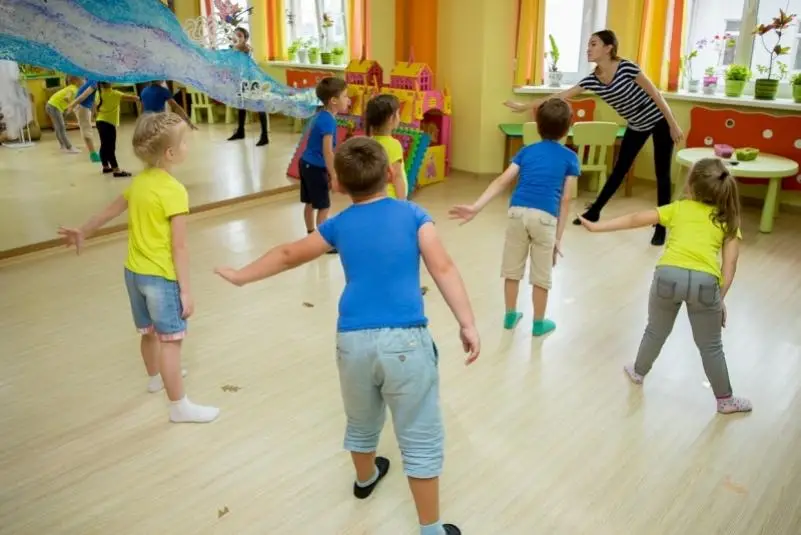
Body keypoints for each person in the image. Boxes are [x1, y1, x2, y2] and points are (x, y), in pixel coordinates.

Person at [214, 137, 478, 535]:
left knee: (361, 417)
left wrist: (240, 275)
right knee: (419, 434)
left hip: (353, 342)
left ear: (337, 184)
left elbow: (288, 254)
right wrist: (467, 322)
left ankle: (365, 478)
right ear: (389, 173)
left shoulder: (338, 224)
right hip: (406, 343)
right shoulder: (413, 215)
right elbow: (443, 268)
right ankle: (431, 529)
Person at [58, 112, 220, 424]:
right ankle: (179, 406)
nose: (188, 147)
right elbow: (179, 247)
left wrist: (83, 230)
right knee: (171, 341)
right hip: (160, 277)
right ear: (170, 153)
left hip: (133, 274)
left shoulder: (140, 181)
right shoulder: (174, 190)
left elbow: (109, 211)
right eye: (185, 142)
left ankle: (155, 378)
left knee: (148, 333)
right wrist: (186, 291)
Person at [578, 158, 751, 415]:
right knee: (711, 346)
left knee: (655, 330)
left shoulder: (678, 208)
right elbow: (730, 264)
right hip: (705, 284)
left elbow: (636, 218)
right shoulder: (728, 220)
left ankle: (638, 371)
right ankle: (725, 400)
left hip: (668, 275)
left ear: (691, 185)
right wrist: (719, 298)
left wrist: (597, 226)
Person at [505, 29, 684, 246]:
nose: (588, 49)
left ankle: (662, 225)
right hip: (636, 124)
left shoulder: (627, 68)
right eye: (588, 44)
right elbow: (560, 96)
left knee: (662, 174)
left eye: (593, 44)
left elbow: (656, 94)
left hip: (660, 120)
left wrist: (673, 124)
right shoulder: (593, 80)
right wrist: (525, 106)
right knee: (619, 169)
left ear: (608, 48)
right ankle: (595, 211)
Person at [450, 98, 578, 337]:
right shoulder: (570, 157)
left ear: (537, 124)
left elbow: (502, 181)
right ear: (569, 125)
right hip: (545, 218)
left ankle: (510, 316)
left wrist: (477, 206)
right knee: (541, 274)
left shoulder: (526, 151)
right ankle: (538, 323)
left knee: (512, 269)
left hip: (517, 213)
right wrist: (558, 238)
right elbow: (566, 199)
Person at [299, 77, 349, 249]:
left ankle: (310, 233)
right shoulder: (328, 121)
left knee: (310, 203)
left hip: (305, 163)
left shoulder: (321, 115)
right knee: (324, 206)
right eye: (345, 96)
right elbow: (327, 151)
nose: (348, 100)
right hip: (315, 167)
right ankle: (321, 243)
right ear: (334, 100)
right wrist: (334, 175)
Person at [226, 27, 269, 146]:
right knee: (241, 105)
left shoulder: (245, 48)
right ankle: (240, 131)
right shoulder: (234, 49)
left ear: (245, 39)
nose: (236, 38)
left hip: (254, 80)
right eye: (235, 35)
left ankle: (264, 135)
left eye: (240, 36)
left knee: (259, 105)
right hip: (242, 80)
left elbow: (242, 50)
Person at [365, 94, 408, 200]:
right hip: (391, 198)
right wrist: (403, 203)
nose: (399, 117)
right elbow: (397, 177)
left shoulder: (369, 142)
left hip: (374, 196)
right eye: (398, 113)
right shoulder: (394, 145)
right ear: (391, 119)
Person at [95, 82, 139, 177]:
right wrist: (138, 97)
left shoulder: (98, 93)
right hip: (109, 123)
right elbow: (133, 98)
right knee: (110, 147)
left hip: (99, 121)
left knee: (104, 145)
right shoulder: (115, 93)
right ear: (110, 82)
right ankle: (116, 170)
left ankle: (105, 166)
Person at [65, 78, 100, 162]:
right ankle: (93, 155)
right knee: (86, 130)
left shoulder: (89, 78)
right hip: (82, 107)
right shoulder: (94, 80)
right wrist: (72, 105)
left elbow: (91, 97)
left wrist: (94, 110)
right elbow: (84, 95)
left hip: (83, 107)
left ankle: (93, 153)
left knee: (86, 129)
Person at [45, 75, 82, 153]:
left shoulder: (70, 87)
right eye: (81, 80)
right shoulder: (73, 88)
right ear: (76, 81)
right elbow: (67, 98)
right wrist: (71, 105)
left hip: (50, 105)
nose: (83, 82)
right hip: (54, 107)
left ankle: (62, 145)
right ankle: (69, 147)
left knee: (58, 127)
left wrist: (68, 109)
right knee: (61, 128)